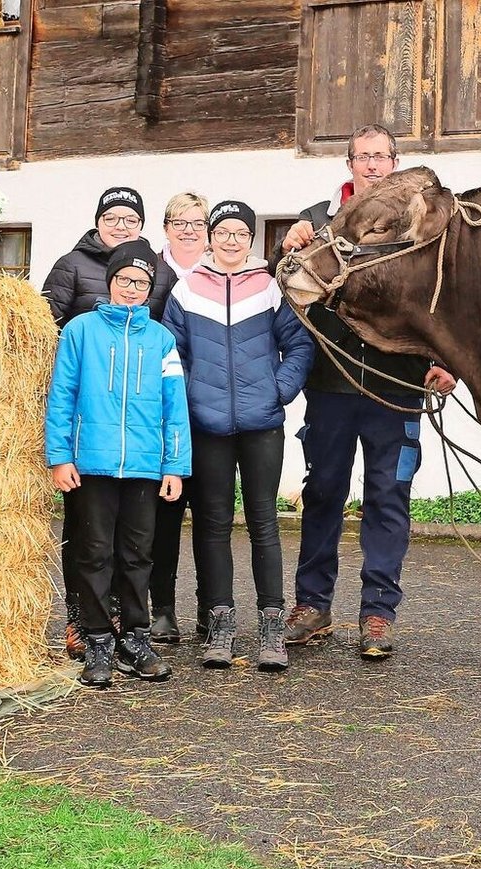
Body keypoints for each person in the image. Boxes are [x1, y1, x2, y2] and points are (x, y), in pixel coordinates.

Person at [276, 124, 456, 660]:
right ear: (348, 164)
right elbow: (286, 289)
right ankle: (313, 606)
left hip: (395, 384)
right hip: (330, 386)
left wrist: (445, 362)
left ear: (395, 164)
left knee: (387, 499)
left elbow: (444, 297)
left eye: (383, 158)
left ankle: (378, 613)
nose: (373, 166)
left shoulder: (421, 225)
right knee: (323, 494)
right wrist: (285, 250)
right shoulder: (316, 219)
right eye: (364, 157)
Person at [165, 200, 314, 673]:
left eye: (240, 233)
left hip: (261, 423)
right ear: (211, 236)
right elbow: (173, 353)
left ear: (251, 239)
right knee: (212, 524)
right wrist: (191, 397)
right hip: (206, 425)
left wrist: (279, 391)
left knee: (264, 523)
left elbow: (300, 344)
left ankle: (271, 624)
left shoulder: (269, 287)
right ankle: (220, 623)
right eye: (223, 231)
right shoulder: (186, 289)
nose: (232, 240)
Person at [44, 240, 191, 688]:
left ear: (150, 290)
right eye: (124, 280)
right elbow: (62, 396)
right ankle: (98, 641)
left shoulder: (162, 339)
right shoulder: (80, 331)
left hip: (145, 467)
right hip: (92, 463)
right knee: (93, 554)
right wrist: (59, 456)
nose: (132, 288)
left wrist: (174, 465)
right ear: (110, 283)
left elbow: (174, 407)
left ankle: (136, 639)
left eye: (141, 283)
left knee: (137, 556)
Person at [148, 192, 210, 644]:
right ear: (165, 227)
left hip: (209, 412)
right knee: (164, 518)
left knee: (211, 516)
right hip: (159, 412)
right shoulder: (147, 272)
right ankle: (163, 609)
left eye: (198, 222)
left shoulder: (221, 271)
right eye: (180, 221)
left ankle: (211, 609)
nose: (189, 229)